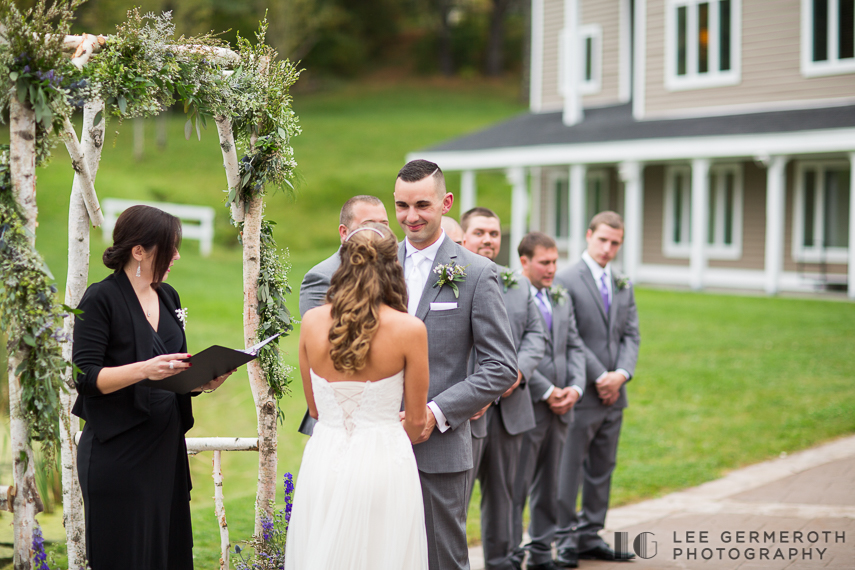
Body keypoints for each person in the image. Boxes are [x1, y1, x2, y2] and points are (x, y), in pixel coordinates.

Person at [73, 205, 232, 570]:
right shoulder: (102, 299)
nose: (176, 255)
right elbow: (85, 378)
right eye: (169, 247)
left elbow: (172, 369)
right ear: (138, 250)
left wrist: (202, 381)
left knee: (167, 554)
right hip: (119, 453)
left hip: (164, 452)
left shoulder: (168, 296)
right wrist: (143, 369)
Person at [394, 159, 517, 570]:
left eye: (422, 205)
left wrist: (436, 411)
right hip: (378, 444)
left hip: (440, 448)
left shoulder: (478, 273)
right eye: (402, 206)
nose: (411, 217)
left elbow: (500, 366)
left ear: (446, 203)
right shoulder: (375, 266)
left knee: (444, 560)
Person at [285, 224, 430, 570]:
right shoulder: (410, 330)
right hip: (386, 463)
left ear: (344, 265)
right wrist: (386, 433)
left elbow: (316, 408)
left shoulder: (312, 322)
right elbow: (415, 420)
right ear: (394, 265)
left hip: (325, 459)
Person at [553, 211, 641, 567]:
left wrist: (620, 374)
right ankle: (564, 538)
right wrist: (600, 377)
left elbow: (631, 334)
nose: (608, 248)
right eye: (602, 239)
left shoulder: (622, 282)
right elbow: (569, 334)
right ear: (589, 235)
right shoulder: (565, 278)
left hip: (614, 394)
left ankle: (590, 534)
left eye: (615, 243)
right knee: (569, 467)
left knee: (603, 467)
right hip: (582, 390)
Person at [460, 207, 547, 570]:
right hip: (468, 413)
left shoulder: (518, 284)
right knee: (456, 500)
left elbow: (535, 336)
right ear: (464, 237)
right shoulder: (452, 279)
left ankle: (502, 562)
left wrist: (518, 373)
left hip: (511, 409)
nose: (488, 240)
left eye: (494, 234)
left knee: (506, 496)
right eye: (480, 232)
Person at [510, 232, 585, 570]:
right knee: (518, 485)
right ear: (524, 262)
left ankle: (542, 553)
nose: (552, 269)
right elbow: (513, 350)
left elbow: (575, 345)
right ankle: (511, 554)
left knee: (550, 483)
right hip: (528, 403)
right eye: (545, 262)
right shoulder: (511, 296)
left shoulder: (561, 297)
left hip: (564, 404)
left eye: (555, 261)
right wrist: (546, 390)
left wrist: (575, 388)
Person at [297, 195, 388, 435]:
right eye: (369, 225)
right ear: (344, 232)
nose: (378, 232)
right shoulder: (322, 277)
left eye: (384, 224)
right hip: (340, 412)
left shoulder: (397, 271)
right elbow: (323, 348)